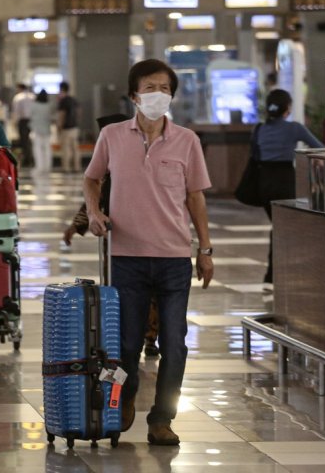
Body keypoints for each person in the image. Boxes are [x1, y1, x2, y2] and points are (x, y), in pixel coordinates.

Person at [83, 59, 214, 446]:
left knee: (174, 343)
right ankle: (123, 398)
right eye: (149, 88)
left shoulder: (187, 140)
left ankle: (162, 419)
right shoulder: (112, 135)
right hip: (127, 257)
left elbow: (195, 198)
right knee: (125, 343)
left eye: (164, 88)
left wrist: (204, 249)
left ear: (172, 95)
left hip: (174, 257)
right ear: (133, 95)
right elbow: (92, 179)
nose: (157, 95)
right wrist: (94, 212)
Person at [252, 89, 324, 288]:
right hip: (285, 181)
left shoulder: (260, 129)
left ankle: (273, 276)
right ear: (288, 108)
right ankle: (277, 276)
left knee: (278, 226)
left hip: (264, 182)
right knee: (284, 228)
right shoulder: (294, 128)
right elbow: (319, 147)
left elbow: (255, 156)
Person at [56, 81, 81, 173]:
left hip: (66, 128)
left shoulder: (63, 101)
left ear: (61, 89)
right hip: (74, 127)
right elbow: (79, 112)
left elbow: (62, 115)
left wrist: (59, 126)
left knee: (66, 149)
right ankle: (77, 167)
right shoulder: (73, 100)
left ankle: (66, 167)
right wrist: (76, 122)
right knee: (75, 148)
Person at [29, 89, 54, 173]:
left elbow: (30, 116)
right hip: (46, 129)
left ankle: (39, 167)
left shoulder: (34, 105)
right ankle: (47, 166)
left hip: (36, 129)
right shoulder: (49, 105)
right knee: (47, 148)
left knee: (37, 149)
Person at [11, 83, 36, 167]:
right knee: (30, 140)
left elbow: (16, 111)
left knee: (24, 141)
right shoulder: (33, 96)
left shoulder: (18, 97)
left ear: (20, 88)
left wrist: (14, 122)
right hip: (32, 120)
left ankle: (27, 160)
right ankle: (31, 159)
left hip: (23, 121)